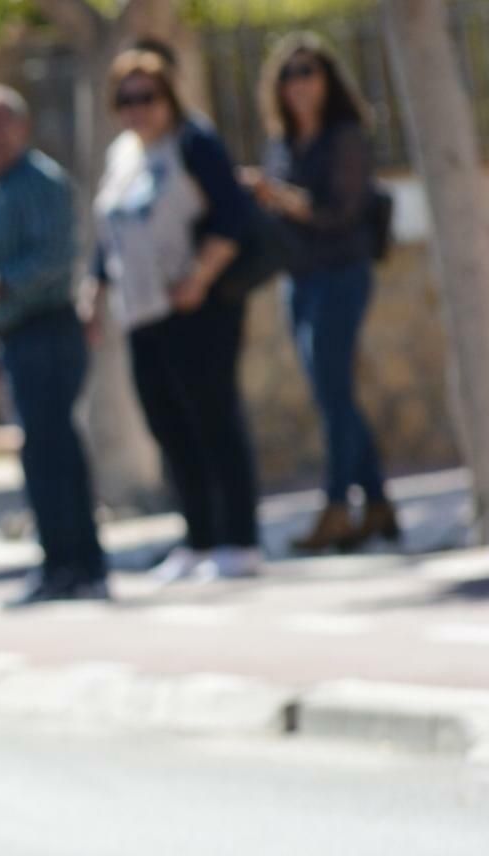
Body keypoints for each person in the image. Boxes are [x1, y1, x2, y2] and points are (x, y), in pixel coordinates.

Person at [82, 48, 262, 584]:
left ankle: (239, 540)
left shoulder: (193, 142)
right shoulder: (122, 155)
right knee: (168, 425)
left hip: (197, 306)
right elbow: (108, 231)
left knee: (213, 419)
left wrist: (200, 276)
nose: (136, 108)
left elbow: (233, 214)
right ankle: (198, 538)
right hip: (141, 311)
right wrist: (93, 288)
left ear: (169, 95)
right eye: (125, 99)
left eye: (146, 96)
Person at [243, 33, 396, 552]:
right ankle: (376, 504)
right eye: (289, 74)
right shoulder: (282, 142)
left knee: (333, 394)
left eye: (308, 71)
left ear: (327, 78)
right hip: (300, 278)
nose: (299, 83)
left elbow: (340, 213)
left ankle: (337, 507)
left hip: (341, 275)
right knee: (335, 395)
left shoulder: (344, 136)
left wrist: (281, 198)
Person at [0, 85, 108, 606]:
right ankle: (57, 563)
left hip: (49, 329)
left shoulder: (40, 182)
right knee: (37, 455)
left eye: (1, 122)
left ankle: (80, 564)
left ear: (22, 127)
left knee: (54, 450)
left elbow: (54, 258)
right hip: (14, 335)